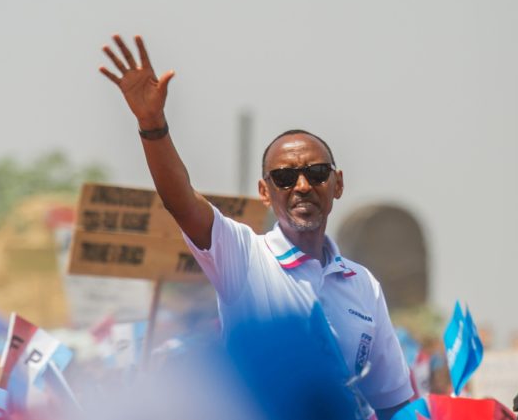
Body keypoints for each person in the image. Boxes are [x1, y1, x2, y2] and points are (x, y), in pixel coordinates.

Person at [100, 34, 414, 419]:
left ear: (338, 184)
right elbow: (181, 202)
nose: (302, 186)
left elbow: (394, 403)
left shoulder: (363, 285)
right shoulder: (244, 256)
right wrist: (152, 125)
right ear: (265, 192)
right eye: (284, 177)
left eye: (317, 173)